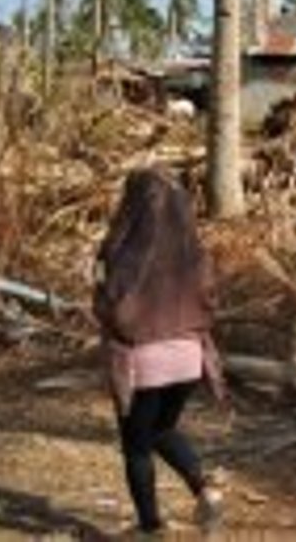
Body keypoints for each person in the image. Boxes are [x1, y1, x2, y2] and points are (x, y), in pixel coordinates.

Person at [93, 167, 227, 535]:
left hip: (142, 364)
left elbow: (114, 310)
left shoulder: (119, 249)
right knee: (162, 429)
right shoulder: (194, 250)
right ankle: (206, 490)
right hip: (189, 360)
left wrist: (104, 310)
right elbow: (210, 302)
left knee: (136, 446)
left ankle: (151, 527)